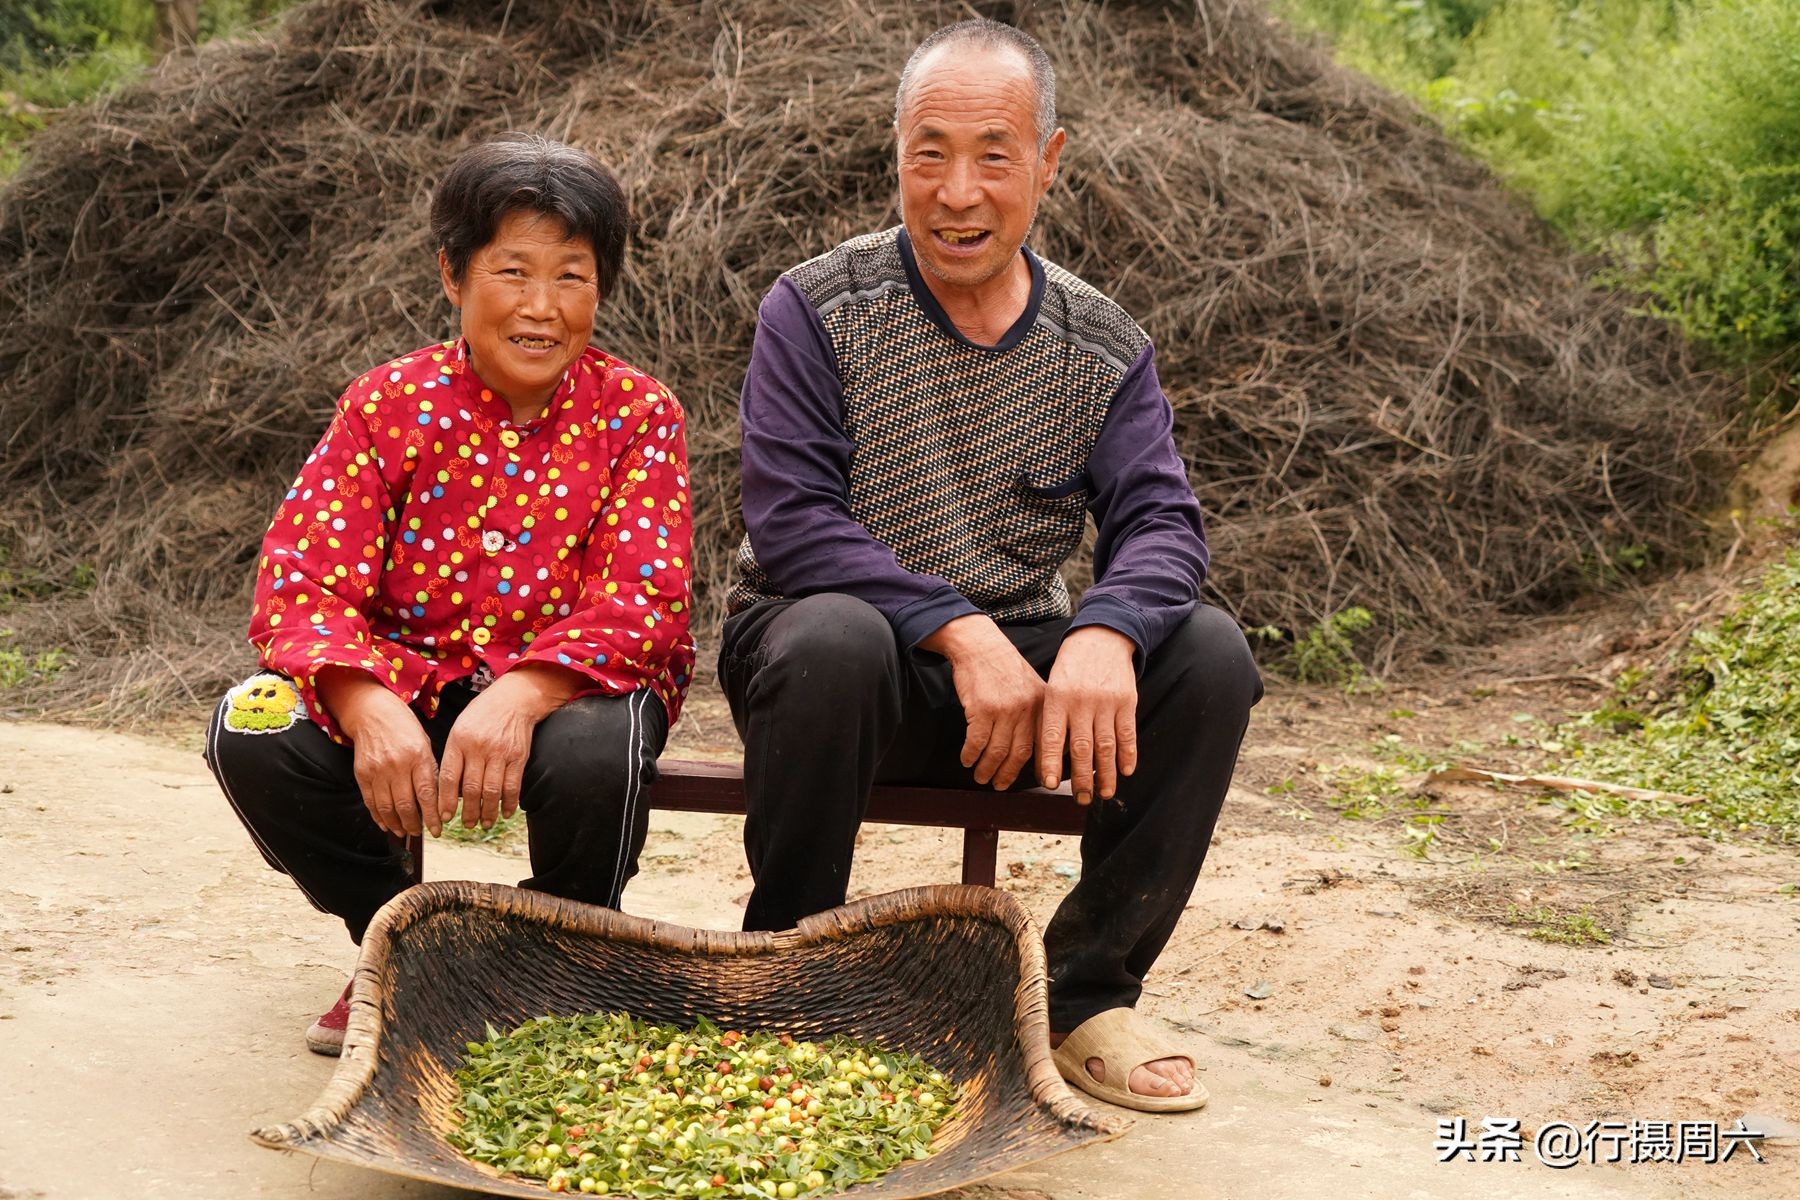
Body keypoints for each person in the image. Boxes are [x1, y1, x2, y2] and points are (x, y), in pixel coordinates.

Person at [719, 21, 1261, 1113]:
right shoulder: (817, 306)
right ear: (896, 154)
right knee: (834, 634)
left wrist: (1106, 631)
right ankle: (789, 976)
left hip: (1022, 685)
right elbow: (791, 520)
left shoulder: (1100, 341)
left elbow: (1164, 522)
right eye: (931, 152)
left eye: (994, 155)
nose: (957, 191)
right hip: (841, 668)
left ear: (1048, 163)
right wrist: (956, 630)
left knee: (1206, 655)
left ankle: (1083, 995)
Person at [204, 134, 694, 1056]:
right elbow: (299, 579)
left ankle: (557, 959)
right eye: (513, 271)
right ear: (453, 276)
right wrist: (363, 698)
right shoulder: (387, 405)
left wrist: (524, 691)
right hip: (401, 680)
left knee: (603, 745)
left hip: (564, 695)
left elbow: (645, 602)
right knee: (253, 725)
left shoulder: (639, 415)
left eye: (573, 277)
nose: (542, 309)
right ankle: (399, 944)